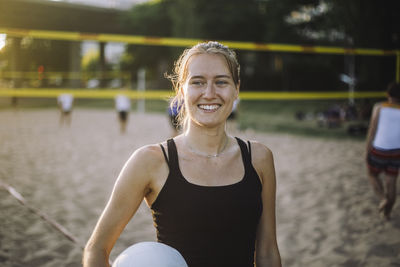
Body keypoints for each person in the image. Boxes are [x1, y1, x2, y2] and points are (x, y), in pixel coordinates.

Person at [83, 41, 281, 267]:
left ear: (236, 88)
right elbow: (96, 249)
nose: (209, 93)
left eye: (221, 82)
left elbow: (267, 252)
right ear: (181, 90)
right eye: (197, 82)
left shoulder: (259, 158)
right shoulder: (150, 161)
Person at [366, 81, 400, 220]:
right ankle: (387, 213)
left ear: (387, 94)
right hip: (397, 152)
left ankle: (382, 199)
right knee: (391, 183)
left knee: (372, 174)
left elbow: (372, 131)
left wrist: (367, 150)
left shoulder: (379, 107)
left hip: (380, 149)